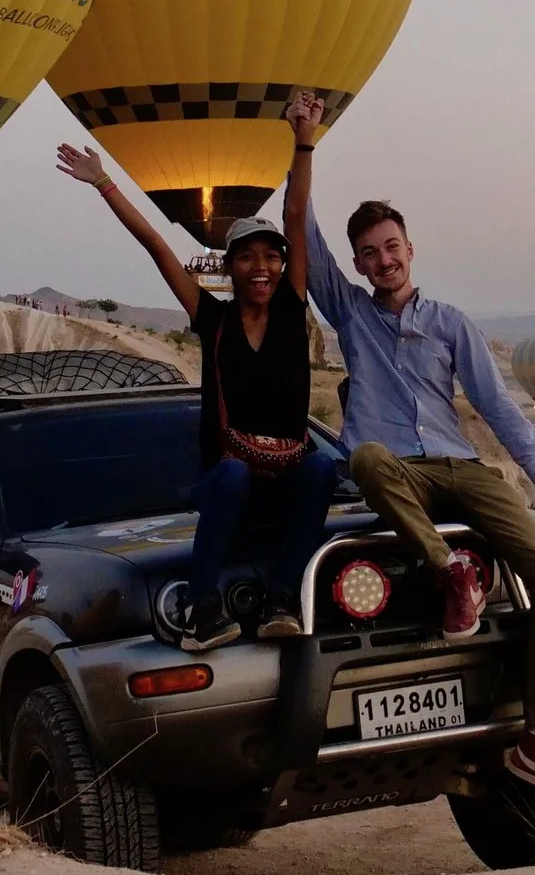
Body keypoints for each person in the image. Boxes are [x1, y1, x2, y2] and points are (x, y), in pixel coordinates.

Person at [303, 197, 535, 811]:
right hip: (397, 473)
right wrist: (300, 148)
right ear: (357, 265)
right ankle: (450, 572)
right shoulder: (352, 316)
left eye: (391, 247)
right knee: (364, 459)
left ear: (410, 250)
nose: (382, 260)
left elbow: (496, 406)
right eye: (369, 254)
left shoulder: (451, 323)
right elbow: (305, 240)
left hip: (460, 466)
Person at [56, 95, 337, 653]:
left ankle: (284, 597)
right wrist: (104, 182)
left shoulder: (290, 308)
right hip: (228, 481)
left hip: (284, 472)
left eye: (271, 258)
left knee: (324, 470)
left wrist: (303, 142)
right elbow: (157, 245)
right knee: (230, 476)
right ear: (228, 266)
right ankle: (202, 607)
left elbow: (295, 215)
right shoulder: (212, 320)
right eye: (248, 257)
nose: (262, 267)